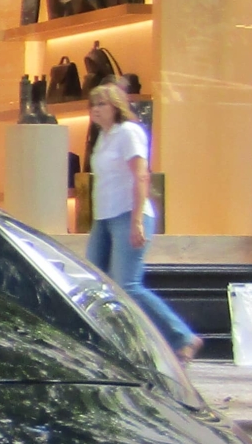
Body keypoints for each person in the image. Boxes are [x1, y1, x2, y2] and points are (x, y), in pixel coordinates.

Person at [84, 81, 200, 359]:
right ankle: (110, 343)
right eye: (93, 105)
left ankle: (181, 336)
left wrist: (137, 221)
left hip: (128, 214)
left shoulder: (129, 133)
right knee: (95, 282)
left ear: (116, 106)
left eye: (102, 104)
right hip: (104, 217)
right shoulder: (103, 137)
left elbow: (141, 175)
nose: (95, 110)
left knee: (128, 285)